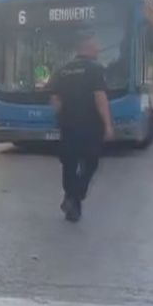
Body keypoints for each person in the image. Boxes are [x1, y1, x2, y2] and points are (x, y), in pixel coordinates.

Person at [50, 32, 113, 222]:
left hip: (68, 125)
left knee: (68, 163)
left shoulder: (63, 70)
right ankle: (76, 195)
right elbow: (100, 98)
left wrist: (61, 115)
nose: (97, 50)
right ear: (86, 48)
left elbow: (54, 98)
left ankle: (72, 200)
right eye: (95, 47)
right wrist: (108, 124)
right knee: (91, 162)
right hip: (90, 126)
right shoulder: (95, 70)